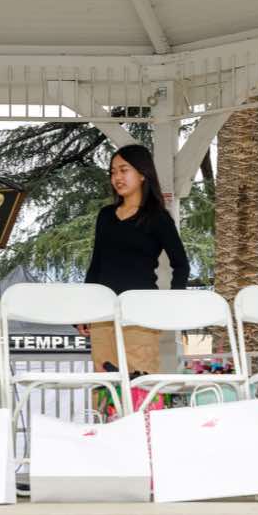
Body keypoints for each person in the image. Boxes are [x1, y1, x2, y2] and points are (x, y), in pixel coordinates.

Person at [78, 144, 189, 376]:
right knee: (105, 384)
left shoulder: (158, 218)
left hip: (140, 312)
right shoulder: (105, 216)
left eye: (123, 170)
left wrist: (171, 306)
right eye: (112, 172)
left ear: (142, 173)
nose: (117, 177)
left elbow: (181, 265)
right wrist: (84, 310)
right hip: (102, 313)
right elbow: (96, 265)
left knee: (140, 382)